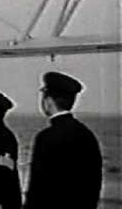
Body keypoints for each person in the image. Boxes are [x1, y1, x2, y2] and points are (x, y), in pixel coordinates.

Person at [24, 71, 102, 209]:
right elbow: (94, 185)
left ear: (48, 101)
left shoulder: (46, 138)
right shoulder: (88, 136)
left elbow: (37, 189)